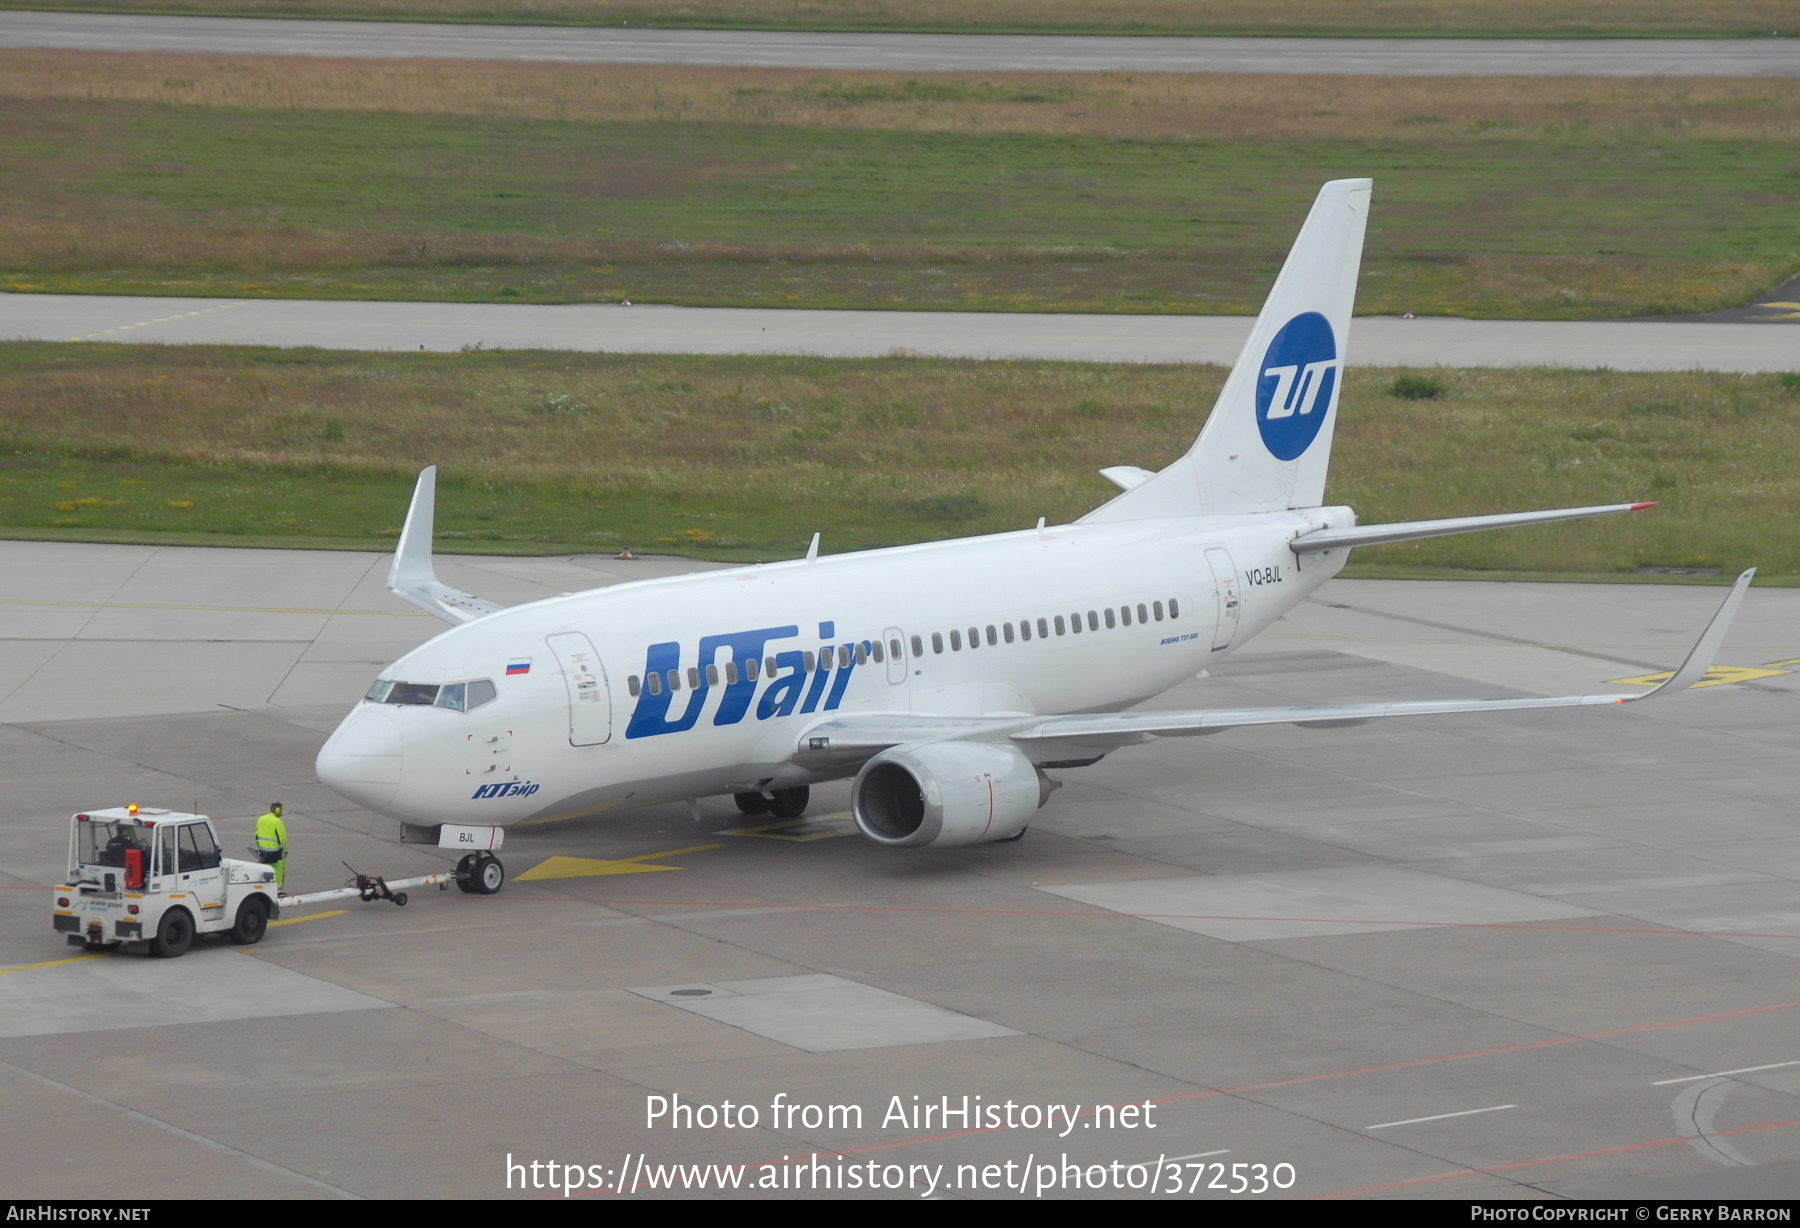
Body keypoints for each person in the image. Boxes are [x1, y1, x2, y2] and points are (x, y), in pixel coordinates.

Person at [255, 803, 289, 891]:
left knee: (264, 868)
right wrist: (285, 850)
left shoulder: (261, 819)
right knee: (279, 869)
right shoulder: (278, 822)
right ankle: (278, 889)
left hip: (263, 851)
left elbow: (257, 834)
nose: (282, 812)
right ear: (277, 810)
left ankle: (264, 887)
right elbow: (283, 838)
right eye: (281, 810)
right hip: (275, 852)